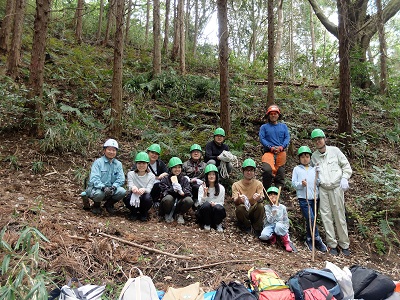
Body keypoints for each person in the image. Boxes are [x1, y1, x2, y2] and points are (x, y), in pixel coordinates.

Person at [310, 128, 352, 256]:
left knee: (339, 215)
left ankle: (344, 244)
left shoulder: (335, 151)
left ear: (325, 139)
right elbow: (313, 175)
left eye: (320, 139)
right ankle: (332, 244)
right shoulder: (314, 156)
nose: (318, 141)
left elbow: (346, 166)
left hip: (336, 187)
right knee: (326, 216)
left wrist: (345, 178)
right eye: (316, 140)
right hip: (323, 189)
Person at [291, 146, 328, 252]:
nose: (305, 159)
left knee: (312, 219)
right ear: (299, 158)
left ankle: (309, 238)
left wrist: (318, 175)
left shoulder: (313, 169)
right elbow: (293, 183)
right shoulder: (297, 169)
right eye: (302, 157)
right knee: (311, 217)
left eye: (307, 156)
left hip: (315, 198)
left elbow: (318, 182)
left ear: (310, 157)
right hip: (303, 198)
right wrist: (301, 184)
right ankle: (317, 238)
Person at [84, 139, 126, 215]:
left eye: (114, 150)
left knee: (122, 191)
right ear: (104, 150)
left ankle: (108, 205)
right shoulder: (98, 162)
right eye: (109, 149)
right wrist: (103, 187)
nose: (111, 152)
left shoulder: (118, 164)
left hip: (111, 189)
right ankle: (96, 205)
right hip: (98, 189)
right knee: (100, 194)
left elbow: (121, 179)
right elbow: (94, 178)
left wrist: (114, 187)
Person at [259, 105, 290, 190]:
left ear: (278, 115)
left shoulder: (283, 127)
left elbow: (287, 138)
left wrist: (281, 147)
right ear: (268, 115)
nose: (273, 115)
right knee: (267, 170)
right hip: (268, 152)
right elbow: (262, 138)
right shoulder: (264, 127)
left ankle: (278, 194)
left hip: (281, 152)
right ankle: (266, 192)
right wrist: (270, 147)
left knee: (280, 173)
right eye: (271, 114)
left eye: (275, 113)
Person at [232, 158, 265, 235]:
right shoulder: (236, 185)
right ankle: (246, 226)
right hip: (243, 210)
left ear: (254, 172)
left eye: (251, 170)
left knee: (260, 205)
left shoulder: (258, 184)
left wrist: (259, 198)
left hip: (254, 209)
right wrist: (239, 199)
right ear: (243, 171)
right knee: (240, 208)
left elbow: (262, 198)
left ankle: (257, 228)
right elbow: (235, 201)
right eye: (247, 170)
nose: (249, 172)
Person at [159, 157, 193, 224]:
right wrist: (173, 189)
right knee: (168, 198)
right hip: (168, 204)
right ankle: (167, 213)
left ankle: (180, 214)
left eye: (179, 167)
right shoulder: (165, 179)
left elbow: (189, 191)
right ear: (171, 169)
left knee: (189, 200)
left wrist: (182, 191)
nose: (177, 169)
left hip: (179, 203)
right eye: (175, 167)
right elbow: (164, 192)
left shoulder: (184, 179)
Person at [123, 152, 155, 221]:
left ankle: (143, 212)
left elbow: (149, 189)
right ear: (136, 164)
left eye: (144, 163)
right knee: (127, 198)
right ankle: (133, 211)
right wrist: (133, 188)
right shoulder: (131, 174)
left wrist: (143, 189)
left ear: (147, 164)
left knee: (147, 198)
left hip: (144, 196)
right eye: (139, 163)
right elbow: (130, 185)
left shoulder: (151, 176)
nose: (141, 165)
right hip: (134, 194)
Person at [259, 187, 293, 252]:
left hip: (280, 225)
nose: (273, 196)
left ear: (278, 196)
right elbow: (269, 220)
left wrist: (285, 230)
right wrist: (273, 211)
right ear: (268, 196)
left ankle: (286, 242)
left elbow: (286, 220)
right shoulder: (267, 207)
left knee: (278, 225)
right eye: (270, 194)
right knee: (263, 236)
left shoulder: (282, 207)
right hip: (270, 225)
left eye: (275, 194)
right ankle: (272, 236)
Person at [196, 164, 226, 232]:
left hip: (216, 210)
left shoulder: (221, 188)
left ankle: (218, 224)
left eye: (213, 174)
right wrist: (204, 194)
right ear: (206, 176)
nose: (211, 176)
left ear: (216, 176)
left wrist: (215, 204)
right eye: (209, 174)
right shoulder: (202, 187)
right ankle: (207, 224)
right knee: (206, 205)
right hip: (205, 212)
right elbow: (200, 204)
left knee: (218, 208)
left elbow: (221, 203)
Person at [182, 144, 206, 208]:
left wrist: (200, 181)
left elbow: (206, 177)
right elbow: (182, 177)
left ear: (201, 154)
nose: (196, 153)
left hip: (200, 186)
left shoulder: (205, 166)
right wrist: (189, 180)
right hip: (187, 185)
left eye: (198, 152)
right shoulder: (184, 165)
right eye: (194, 152)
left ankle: (197, 201)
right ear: (191, 154)